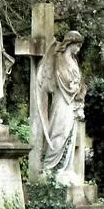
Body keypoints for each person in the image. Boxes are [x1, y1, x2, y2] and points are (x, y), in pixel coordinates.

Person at [37, 30, 86, 185]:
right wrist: (74, 87)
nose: (78, 49)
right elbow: (61, 78)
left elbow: (79, 80)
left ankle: (66, 169)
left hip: (72, 102)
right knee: (60, 132)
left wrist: (81, 89)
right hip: (62, 100)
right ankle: (49, 168)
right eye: (77, 45)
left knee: (71, 135)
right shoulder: (59, 58)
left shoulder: (74, 61)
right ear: (70, 43)